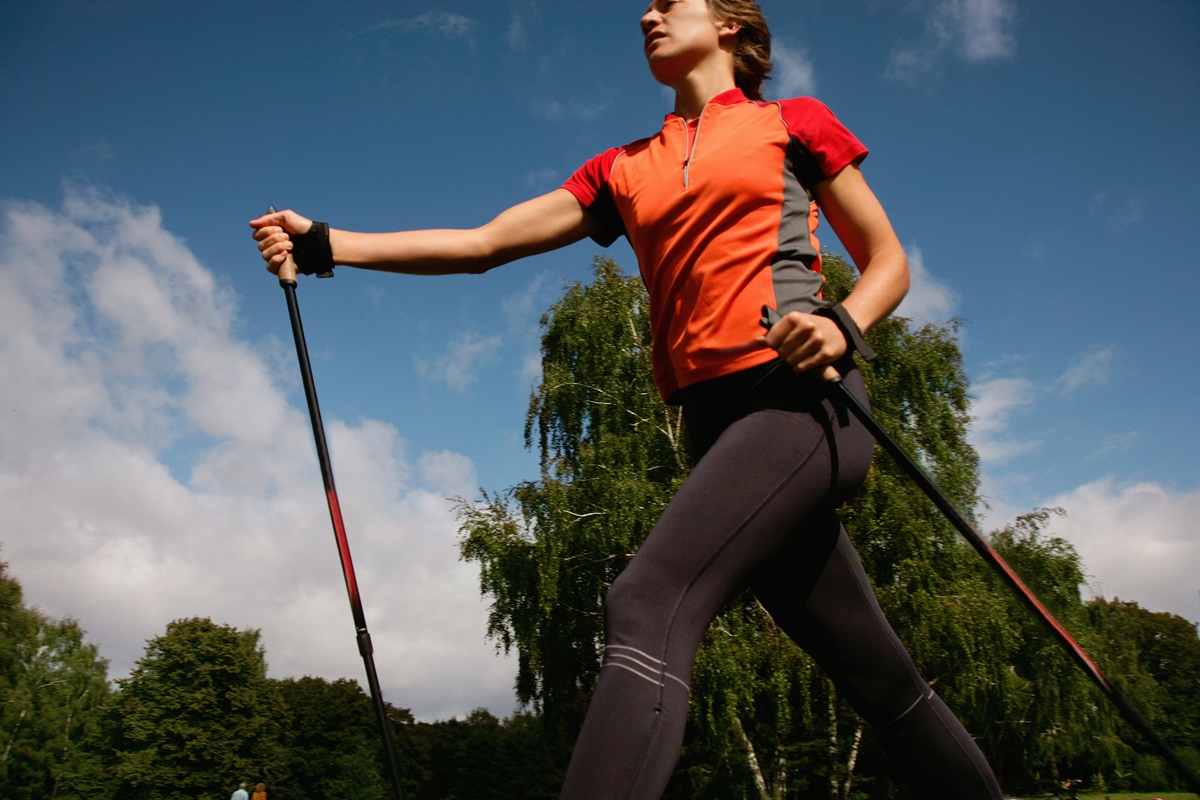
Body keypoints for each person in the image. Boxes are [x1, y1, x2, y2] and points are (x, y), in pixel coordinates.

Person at [250, 1, 1004, 798]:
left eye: (668, 0)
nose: (646, 13)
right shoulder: (621, 167)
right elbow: (484, 244)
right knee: (881, 680)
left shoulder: (793, 122)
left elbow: (889, 260)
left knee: (647, 601)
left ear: (728, 25)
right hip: (717, 430)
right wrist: (327, 244)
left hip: (800, 406)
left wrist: (843, 324)